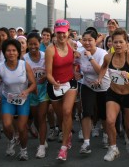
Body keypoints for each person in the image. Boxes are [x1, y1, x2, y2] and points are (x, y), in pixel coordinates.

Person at [96, 28, 129, 161]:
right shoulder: (108, 56)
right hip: (113, 93)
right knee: (110, 121)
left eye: (121, 42)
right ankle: (113, 148)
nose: (118, 45)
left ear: (126, 43)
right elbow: (103, 67)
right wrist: (100, 78)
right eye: (115, 42)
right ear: (111, 43)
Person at [0, 39, 36, 161]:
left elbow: (33, 84)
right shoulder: (0, 67)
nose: (11, 53)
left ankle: (23, 150)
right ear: (4, 53)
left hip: (23, 99)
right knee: (7, 124)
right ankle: (12, 140)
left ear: (18, 52)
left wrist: (27, 91)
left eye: (14, 50)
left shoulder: (24, 65)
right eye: (8, 50)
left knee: (21, 127)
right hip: (7, 98)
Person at [45, 19, 78, 161]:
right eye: (59, 33)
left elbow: (77, 59)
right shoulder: (50, 50)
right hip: (55, 86)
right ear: (55, 33)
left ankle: (63, 148)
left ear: (68, 32)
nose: (61, 36)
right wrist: (54, 83)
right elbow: (48, 73)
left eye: (64, 33)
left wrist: (77, 64)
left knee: (67, 111)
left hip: (70, 83)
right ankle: (67, 133)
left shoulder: (72, 45)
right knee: (61, 117)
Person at [75, 30, 110, 154]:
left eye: (90, 40)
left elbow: (100, 70)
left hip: (103, 86)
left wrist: (90, 57)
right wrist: (76, 72)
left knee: (103, 114)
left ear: (96, 41)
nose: (87, 42)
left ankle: (106, 135)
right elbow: (73, 65)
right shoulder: (79, 52)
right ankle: (86, 142)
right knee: (87, 112)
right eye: (84, 40)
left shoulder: (102, 53)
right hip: (87, 85)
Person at [23, 32, 49, 158]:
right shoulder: (24, 58)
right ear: (27, 45)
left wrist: (44, 76)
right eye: (30, 44)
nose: (33, 46)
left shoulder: (45, 56)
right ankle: (41, 135)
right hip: (31, 91)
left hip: (44, 90)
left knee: (42, 116)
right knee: (36, 118)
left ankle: (42, 146)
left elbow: (51, 70)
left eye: (35, 43)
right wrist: (31, 84)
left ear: (40, 43)